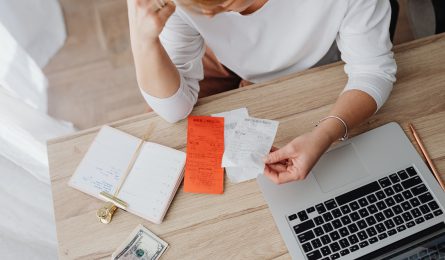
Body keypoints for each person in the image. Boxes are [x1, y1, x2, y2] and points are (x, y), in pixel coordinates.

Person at [127, 0, 397, 184]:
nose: (208, 15)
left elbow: (372, 72)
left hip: (318, 58)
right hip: (221, 55)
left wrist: (325, 134)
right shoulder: (186, 6)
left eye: (223, 3)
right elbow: (174, 110)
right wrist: (143, 39)